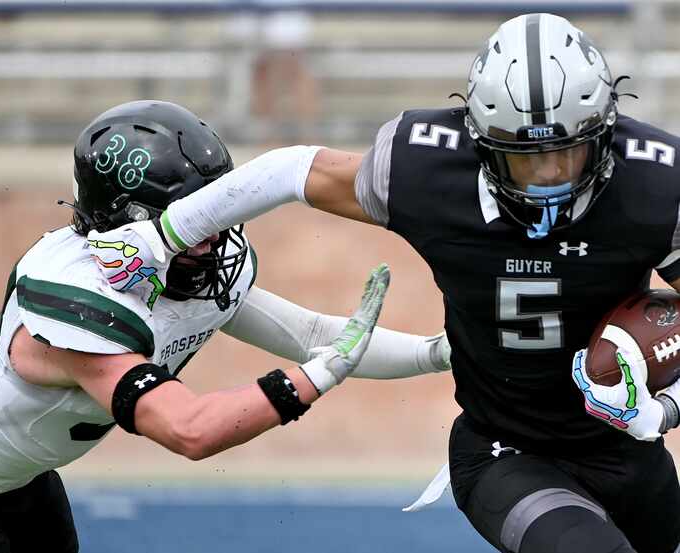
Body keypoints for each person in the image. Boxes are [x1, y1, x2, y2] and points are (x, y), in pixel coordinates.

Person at [115, 14, 680, 553]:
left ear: (605, 134)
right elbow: (292, 170)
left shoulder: (654, 185)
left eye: (567, 153)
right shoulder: (424, 171)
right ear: (479, 143)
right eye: (524, 161)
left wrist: (662, 410)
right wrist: (168, 233)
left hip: (627, 451)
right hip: (504, 449)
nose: (548, 180)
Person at [0, 100, 451, 553]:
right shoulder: (81, 303)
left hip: (18, 471)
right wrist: (313, 380)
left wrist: (440, 353)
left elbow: (314, 334)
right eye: (203, 218)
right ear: (132, 221)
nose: (221, 236)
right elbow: (189, 430)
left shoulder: (188, 272)